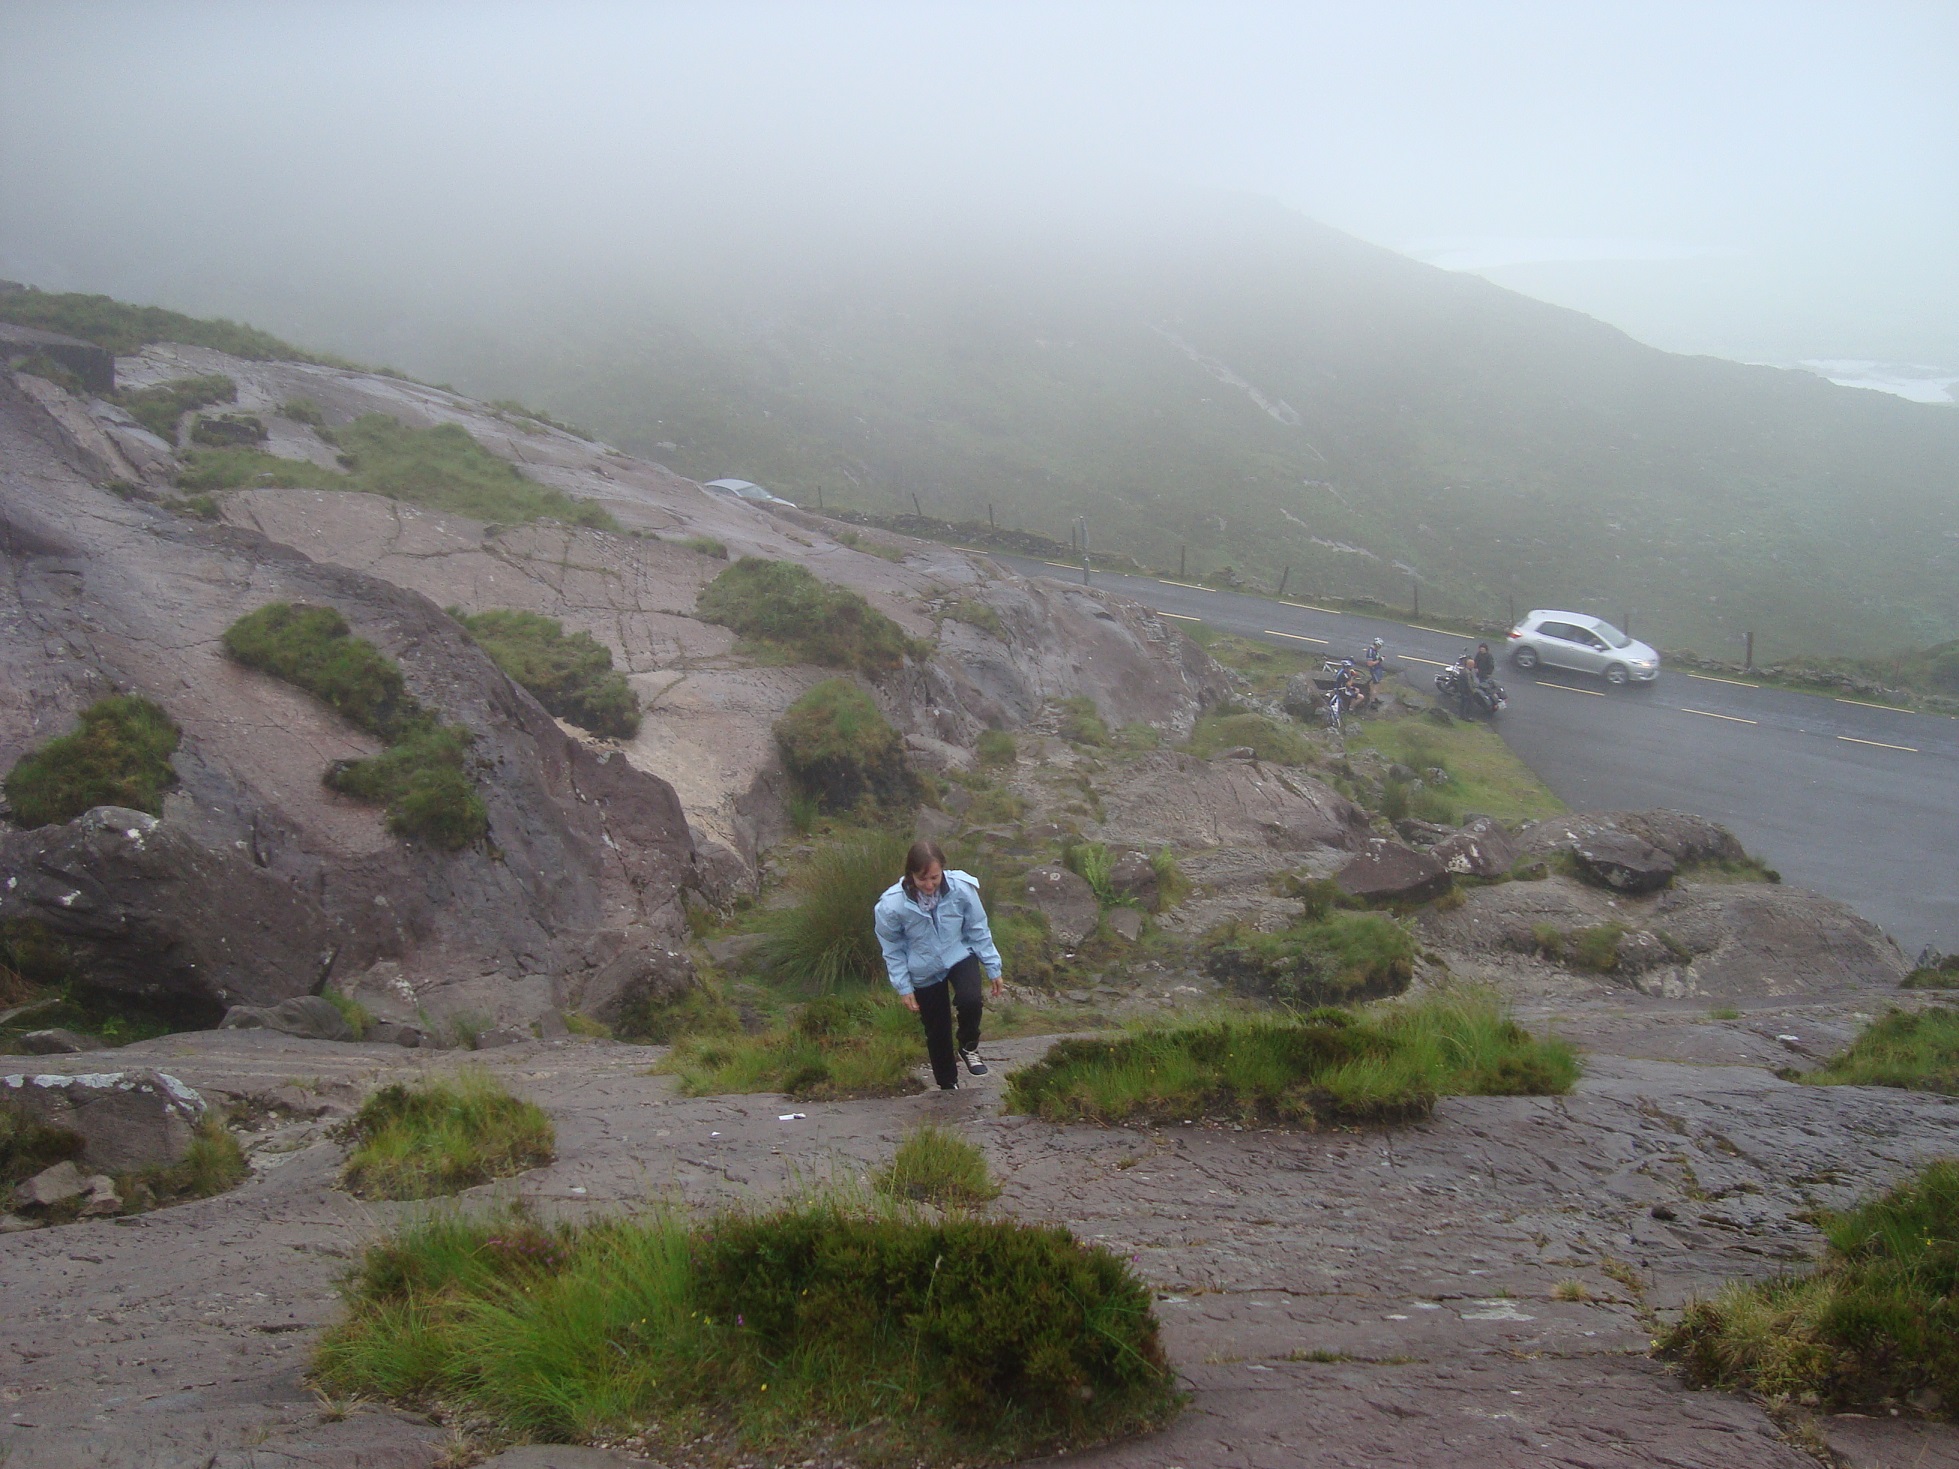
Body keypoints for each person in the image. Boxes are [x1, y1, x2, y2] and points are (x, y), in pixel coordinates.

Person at [874, 839, 1004, 1091]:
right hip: (923, 968)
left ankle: (968, 1046)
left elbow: (978, 928)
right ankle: (948, 1084)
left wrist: (992, 966)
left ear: (943, 869)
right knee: (937, 1030)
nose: (929, 884)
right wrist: (904, 987)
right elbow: (892, 949)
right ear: (910, 874)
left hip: (958, 954)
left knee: (970, 1000)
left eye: (934, 877)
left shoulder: (961, 888)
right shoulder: (890, 906)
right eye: (922, 879)